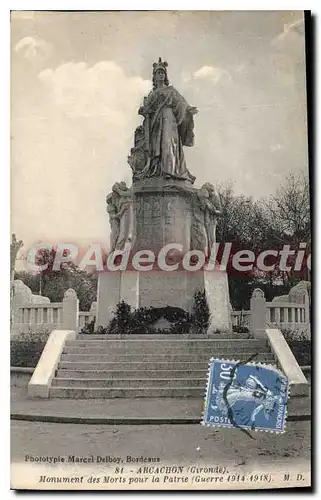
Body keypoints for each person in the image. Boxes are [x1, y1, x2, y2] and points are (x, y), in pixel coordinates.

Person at [135, 58, 198, 182]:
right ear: (154, 76)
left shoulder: (171, 91)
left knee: (168, 144)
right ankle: (158, 170)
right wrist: (144, 110)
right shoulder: (151, 95)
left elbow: (180, 103)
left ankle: (171, 170)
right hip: (156, 124)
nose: (161, 75)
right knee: (157, 147)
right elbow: (148, 110)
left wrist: (188, 110)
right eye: (158, 73)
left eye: (163, 73)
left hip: (169, 120)